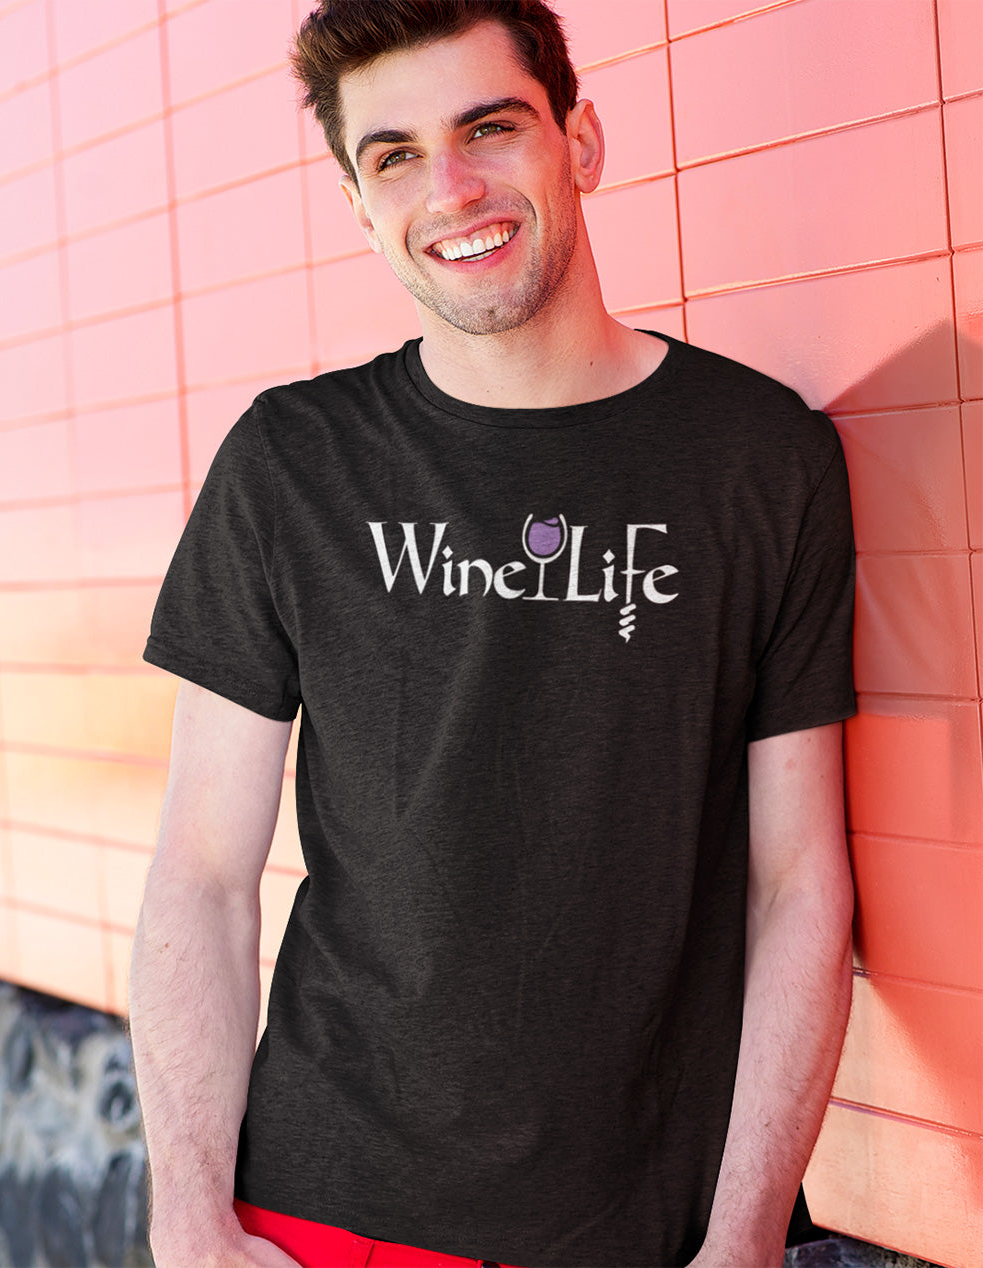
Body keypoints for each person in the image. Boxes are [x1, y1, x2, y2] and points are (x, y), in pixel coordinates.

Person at [129, 2, 856, 1266]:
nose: (450, 187)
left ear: (581, 139)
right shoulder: (293, 464)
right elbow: (200, 866)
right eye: (394, 155)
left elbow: (799, 880)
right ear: (358, 202)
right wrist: (189, 1217)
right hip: (321, 1210)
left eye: (490, 126)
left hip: (654, 1224)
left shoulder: (760, 459)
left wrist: (741, 1237)